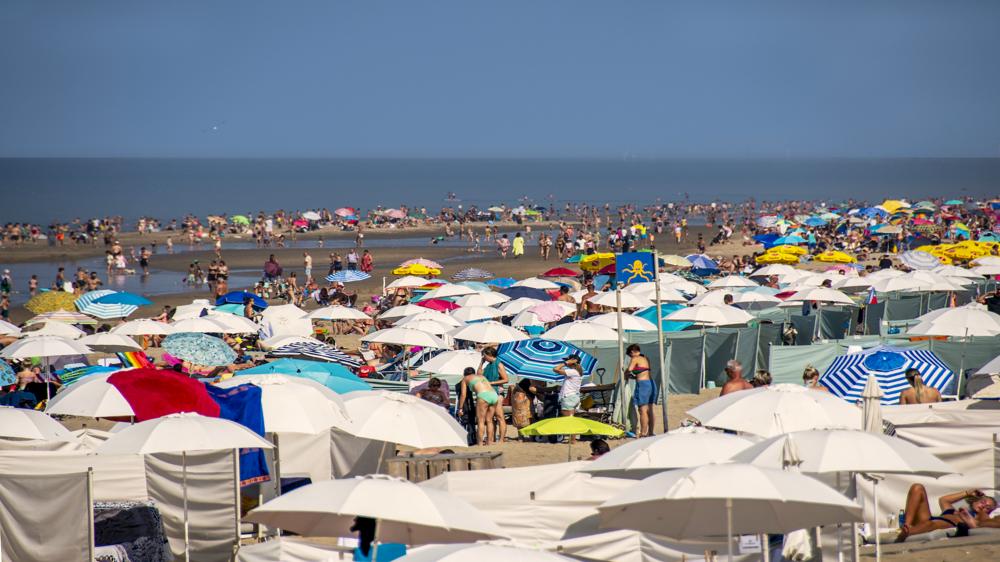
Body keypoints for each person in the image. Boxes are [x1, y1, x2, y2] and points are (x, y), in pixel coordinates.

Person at [896, 484, 1000, 542]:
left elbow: (987, 522)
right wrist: (968, 493)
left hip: (935, 524)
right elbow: (943, 500)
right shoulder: (953, 510)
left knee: (932, 524)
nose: (983, 506)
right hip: (928, 520)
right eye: (983, 502)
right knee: (917, 487)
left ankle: (906, 533)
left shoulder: (978, 517)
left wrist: (978, 519)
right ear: (976, 500)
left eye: (987, 507)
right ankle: (907, 525)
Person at [458, 366, 500, 446]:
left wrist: (460, 408)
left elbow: (463, 395)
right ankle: (489, 442)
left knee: (481, 421)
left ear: (464, 374)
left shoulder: (465, 379)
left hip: (483, 395)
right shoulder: (481, 376)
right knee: (489, 420)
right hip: (494, 395)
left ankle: (480, 443)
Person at [478, 347, 509, 443]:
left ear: (489, 355)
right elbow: (479, 374)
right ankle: (492, 438)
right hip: (489, 392)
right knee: (490, 417)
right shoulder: (488, 365)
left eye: (484, 355)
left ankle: (501, 439)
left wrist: (491, 383)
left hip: (497, 392)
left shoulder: (498, 364)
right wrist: (481, 363)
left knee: (499, 416)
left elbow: (506, 379)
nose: (484, 357)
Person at [626, 344, 656, 438]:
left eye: (630, 355)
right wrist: (634, 376)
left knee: (642, 410)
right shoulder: (645, 358)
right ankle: (650, 432)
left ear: (632, 352)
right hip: (650, 383)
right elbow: (643, 373)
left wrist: (625, 373)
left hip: (643, 385)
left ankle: (643, 433)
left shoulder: (635, 358)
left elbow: (629, 370)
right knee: (650, 410)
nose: (631, 357)